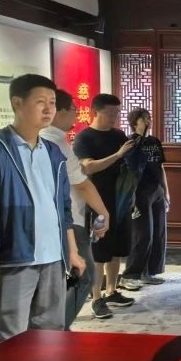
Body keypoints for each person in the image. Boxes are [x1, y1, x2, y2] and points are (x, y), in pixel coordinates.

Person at [0, 73, 86, 341]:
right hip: (15, 258)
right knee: (10, 339)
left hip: (53, 258)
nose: (48, 109)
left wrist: (72, 251)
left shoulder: (52, 152)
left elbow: (63, 208)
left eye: (52, 102)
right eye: (40, 102)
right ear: (17, 103)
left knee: (51, 336)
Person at [41, 90, 112, 328]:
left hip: (57, 221)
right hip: (69, 221)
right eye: (73, 109)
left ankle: (52, 328)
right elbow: (82, 185)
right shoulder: (56, 142)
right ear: (59, 111)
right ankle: (56, 329)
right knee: (85, 275)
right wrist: (104, 212)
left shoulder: (45, 139)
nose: (76, 114)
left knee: (62, 279)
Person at [74, 93, 142, 319]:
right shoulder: (84, 138)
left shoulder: (118, 135)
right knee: (98, 250)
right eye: (111, 113)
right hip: (97, 201)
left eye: (117, 113)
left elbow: (127, 166)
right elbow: (88, 167)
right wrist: (118, 154)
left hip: (121, 200)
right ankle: (96, 297)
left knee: (117, 248)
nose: (115, 117)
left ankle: (111, 290)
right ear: (96, 111)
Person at [120, 108, 168, 290]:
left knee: (158, 233)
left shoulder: (154, 141)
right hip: (140, 192)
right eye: (144, 119)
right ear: (135, 123)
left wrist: (166, 191)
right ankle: (130, 275)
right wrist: (131, 196)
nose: (148, 121)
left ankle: (148, 272)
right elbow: (128, 172)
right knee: (143, 234)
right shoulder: (130, 143)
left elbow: (160, 167)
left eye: (149, 118)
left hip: (157, 190)